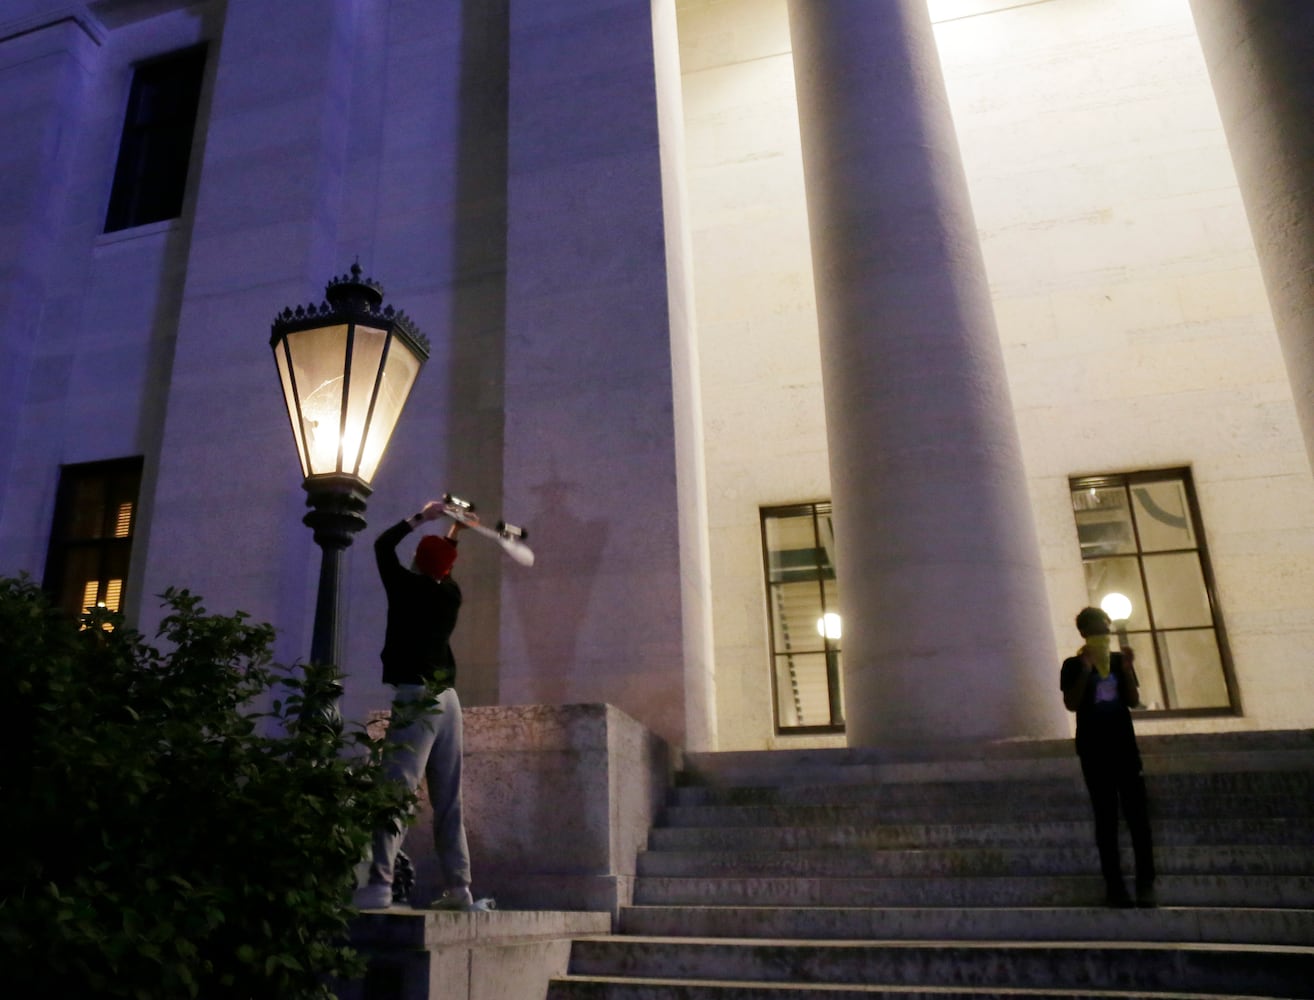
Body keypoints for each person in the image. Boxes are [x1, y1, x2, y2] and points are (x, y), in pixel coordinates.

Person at [353, 499, 491, 912]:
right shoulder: (450, 594)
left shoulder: (405, 586)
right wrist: (456, 533)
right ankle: (460, 889)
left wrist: (421, 517)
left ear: (416, 561)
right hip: (450, 702)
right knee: (449, 801)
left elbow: (381, 546)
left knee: (394, 792)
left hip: (416, 698)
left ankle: (377, 885)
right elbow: (439, 565)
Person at [1060, 606, 1156, 908]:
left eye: (1104, 628)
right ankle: (1115, 886)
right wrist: (1087, 669)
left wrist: (1127, 670)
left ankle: (1145, 884)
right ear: (1084, 634)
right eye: (1095, 630)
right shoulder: (1072, 665)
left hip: (1124, 747)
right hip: (1094, 750)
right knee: (1106, 818)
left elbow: (1132, 700)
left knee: (1138, 817)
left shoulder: (1117, 662)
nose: (1102, 634)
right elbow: (1072, 704)